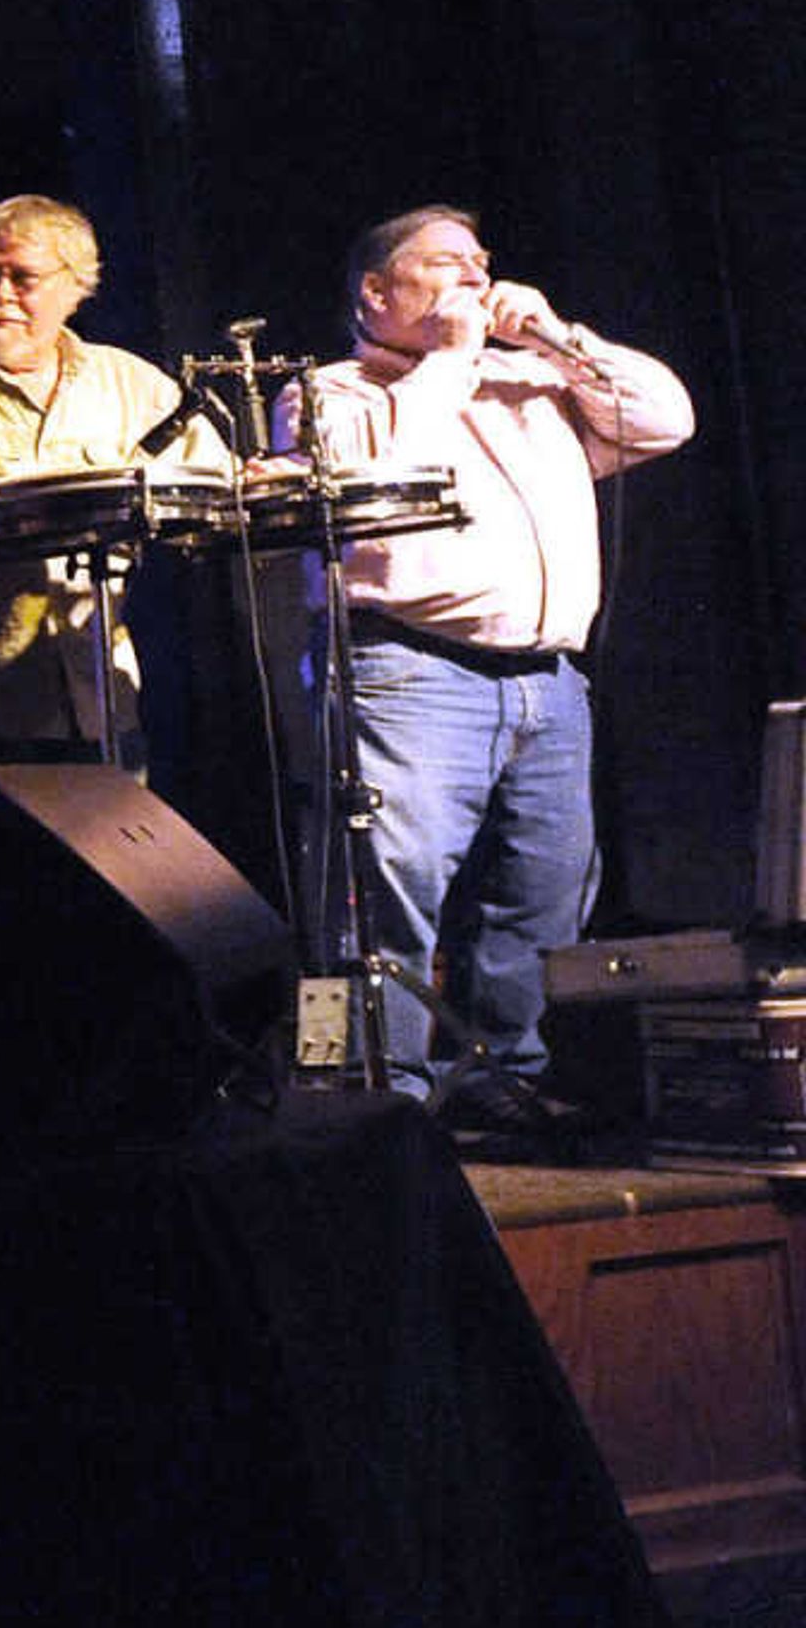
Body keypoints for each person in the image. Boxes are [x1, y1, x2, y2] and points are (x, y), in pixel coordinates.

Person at [278, 205, 692, 1131]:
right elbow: (372, 489)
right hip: (408, 672)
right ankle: (359, 1098)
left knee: (540, 898)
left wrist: (554, 333)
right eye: (443, 265)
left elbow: (667, 417)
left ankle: (502, 1079)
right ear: (375, 294)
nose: (474, 278)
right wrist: (455, 358)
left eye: (480, 263)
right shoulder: (331, 393)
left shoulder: (530, 381)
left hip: (546, 682)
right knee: (377, 895)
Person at [0, 195, 205, 780]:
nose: (0, 295)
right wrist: (103, 487)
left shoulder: (127, 380)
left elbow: (206, 483)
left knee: (111, 873)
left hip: (101, 697)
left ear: (76, 287)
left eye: (22, 278)